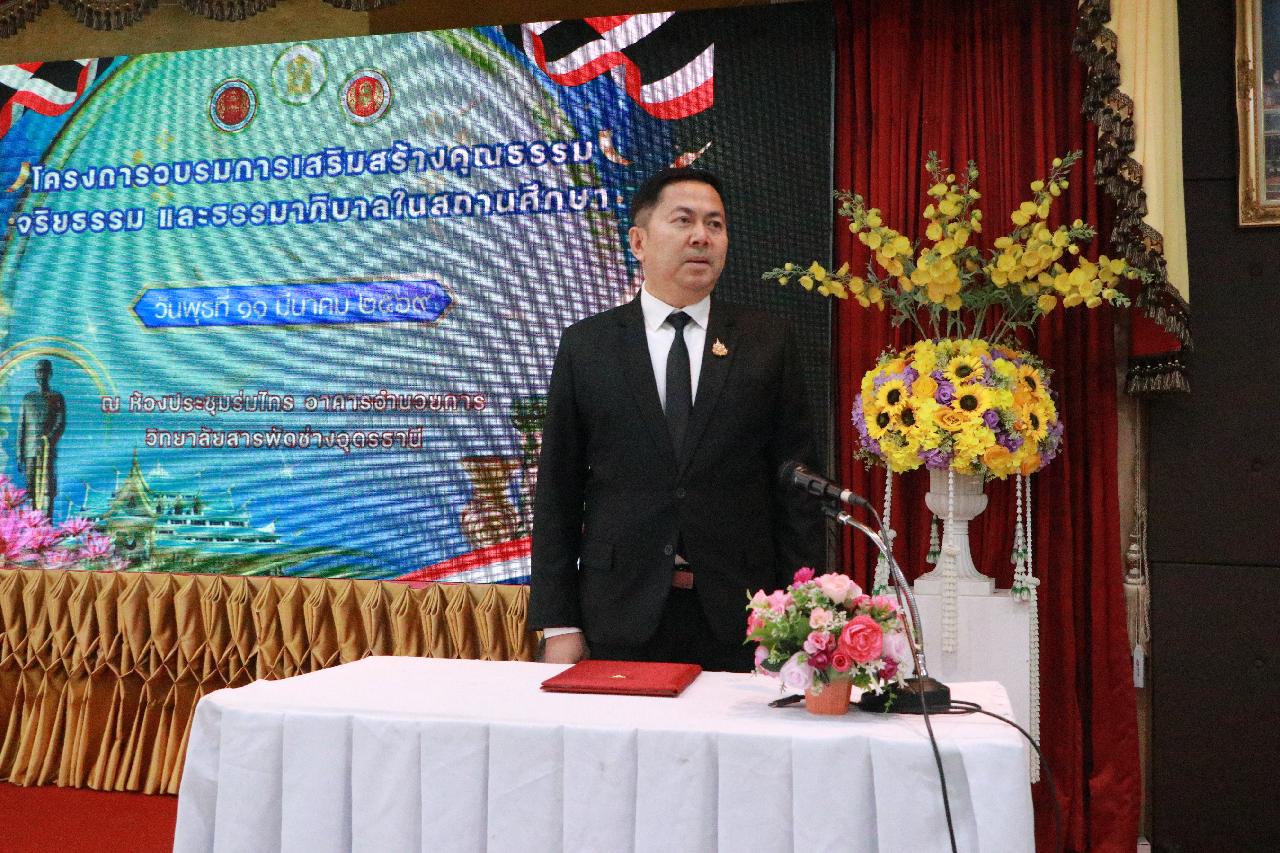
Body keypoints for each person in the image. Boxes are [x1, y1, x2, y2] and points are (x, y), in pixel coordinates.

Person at [528, 167, 823, 672]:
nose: (701, 237)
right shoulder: (588, 346)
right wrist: (559, 624)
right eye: (683, 220)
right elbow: (558, 490)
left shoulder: (766, 342)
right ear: (638, 242)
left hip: (745, 616)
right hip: (619, 612)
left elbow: (798, 489)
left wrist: (801, 616)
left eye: (715, 224)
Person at [17, 359, 66, 518]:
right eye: (38, 371)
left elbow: (60, 423)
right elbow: (21, 427)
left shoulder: (56, 397)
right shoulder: (27, 399)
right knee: (30, 489)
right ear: (35, 374)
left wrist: (49, 439)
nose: (41, 375)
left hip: (47, 451)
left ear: (50, 374)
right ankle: (33, 523)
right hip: (30, 452)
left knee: (48, 489)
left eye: (44, 371)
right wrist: (19, 454)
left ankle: (47, 523)